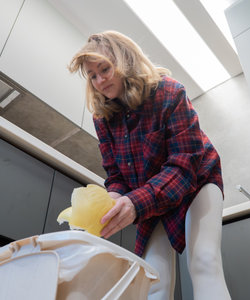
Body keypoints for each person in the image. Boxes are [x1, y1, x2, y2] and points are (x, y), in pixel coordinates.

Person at [69, 30, 231, 300]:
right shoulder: (102, 118)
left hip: (195, 182)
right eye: (92, 75)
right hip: (150, 198)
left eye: (105, 69)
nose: (99, 80)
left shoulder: (170, 92)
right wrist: (111, 202)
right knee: (152, 279)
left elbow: (183, 166)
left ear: (125, 60)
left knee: (204, 261)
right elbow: (116, 175)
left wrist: (134, 204)